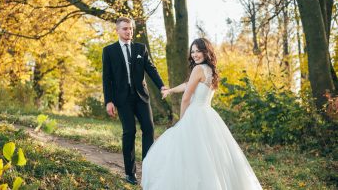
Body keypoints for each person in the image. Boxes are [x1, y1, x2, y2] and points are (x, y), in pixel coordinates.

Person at [141, 38, 262, 189]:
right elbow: (188, 85)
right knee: (208, 157)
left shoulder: (198, 69)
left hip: (195, 114)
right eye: (192, 51)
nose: (195, 54)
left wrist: (182, 121)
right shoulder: (210, 70)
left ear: (206, 51)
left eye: (198, 51)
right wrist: (171, 90)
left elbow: (186, 98)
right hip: (208, 114)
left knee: (187, 154)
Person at [102, 17, 166, 185]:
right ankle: (130, 173)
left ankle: (148, 168)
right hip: (122, 99)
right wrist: (108, 101)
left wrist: (161, 86)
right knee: (129, 132)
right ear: (117, 30)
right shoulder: (109, 51)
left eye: (130, 28)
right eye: (124, 29)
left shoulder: (140, 48)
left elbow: (151, 69)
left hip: (141, 97)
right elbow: (106, 78)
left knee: (149, 130)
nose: (128, 31)